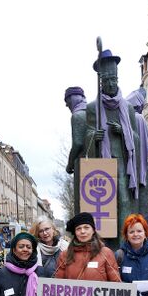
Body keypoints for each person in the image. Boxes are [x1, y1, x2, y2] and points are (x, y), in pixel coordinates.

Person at [85, 50, 148, 240]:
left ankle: (124, 242)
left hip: (123, 163)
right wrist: (94, 136)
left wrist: (123, 131)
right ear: (101, 83)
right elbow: (87, 136)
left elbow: (136, 139)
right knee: (104, 206)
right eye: (107, 81)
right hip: (102, 164)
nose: (111, 84)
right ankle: (105, 243)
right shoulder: (93, 108)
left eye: (114, 80)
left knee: (123, 201)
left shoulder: (127, 108)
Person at [64, 86, 87, 214]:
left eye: (67, 101)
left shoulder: (77, 115)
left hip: (83, 164)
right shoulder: (94, 112)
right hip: (101, 164)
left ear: (73, 98)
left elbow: (78, 143)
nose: (67, 105)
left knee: (82, 200)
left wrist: (70, 164)